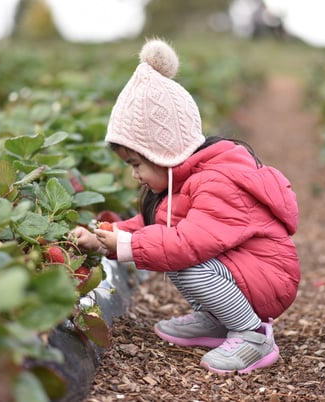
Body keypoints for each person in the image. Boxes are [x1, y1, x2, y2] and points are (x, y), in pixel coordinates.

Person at [70, 38, 300, 375]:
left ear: (166, 152)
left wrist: (126, 246)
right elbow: (156, 227)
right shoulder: (187, 179)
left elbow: (188, 243)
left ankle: (253, 335)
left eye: (136, 164)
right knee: (171, 248)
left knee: (182, 259)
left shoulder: (217, 181)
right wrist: (112, 234)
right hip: (245, 273)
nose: (134, 175)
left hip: (268, 279)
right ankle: (218, 320)